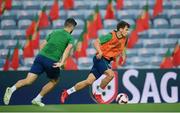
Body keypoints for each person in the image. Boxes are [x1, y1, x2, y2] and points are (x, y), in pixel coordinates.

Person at [3, 18, 77, 107]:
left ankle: (11, 89)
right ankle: (38, 98)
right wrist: (62, 62)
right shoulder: (70, 37)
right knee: (54, 81)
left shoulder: (55, 32)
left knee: (28, 80)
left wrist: (42, 56)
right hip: (52, 61)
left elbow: (42, 44)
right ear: (72, 27)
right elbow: (68, 49)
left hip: (40, 57)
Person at [60, 21, 130, 104]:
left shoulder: (125, 38)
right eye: (126, 29)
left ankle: (67, 92)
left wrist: (124, 56)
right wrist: (99, 51)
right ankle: (98, 93)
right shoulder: (110, 36)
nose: (127, 31)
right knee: (111, 75)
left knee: (88, 81)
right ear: (121, 29)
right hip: (100, 58)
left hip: (106, 61)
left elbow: (122, 47)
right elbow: (96, 42)